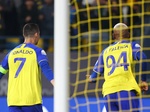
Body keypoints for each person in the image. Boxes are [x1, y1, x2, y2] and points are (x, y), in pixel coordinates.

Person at [88, 23, 148, 112]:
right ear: (128, 34)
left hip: (109, 94)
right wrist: (143, 80)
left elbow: (93, 77)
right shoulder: (131, 46)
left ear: (113, 35)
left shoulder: (105, 51)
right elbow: (143, 58)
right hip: (126, 90)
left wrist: (90, 78)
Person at [0, 23, 54, 112]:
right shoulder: (37, 51)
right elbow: (46, 68)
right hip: (31, 101)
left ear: (24, 34)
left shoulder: (11, 53)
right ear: (36, 34)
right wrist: (57, 84)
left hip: (13, 101)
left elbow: (1, 72)